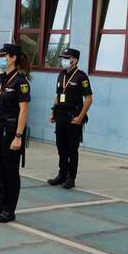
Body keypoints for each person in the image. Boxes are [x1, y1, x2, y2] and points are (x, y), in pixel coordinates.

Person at [0, 44, 31, 223]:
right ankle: (1, 203)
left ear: (13, 58)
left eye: (3, 56)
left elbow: (24, 111)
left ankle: (10, 209)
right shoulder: (1, 78)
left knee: (11, 170)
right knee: (0, 169)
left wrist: (18, 136)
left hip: (11, 130)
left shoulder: (21, 81)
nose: (0, 59)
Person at [48, 48, 93, 189]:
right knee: (61, 146)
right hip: (60, 116)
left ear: (75, 60)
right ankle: (62, 174)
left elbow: (89, 99)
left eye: (67, 58)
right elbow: (57, 95)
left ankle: (71, 177)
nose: (64, 61)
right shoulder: (61, 75)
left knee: (72, 148)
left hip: (73, 117)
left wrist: (80, 117)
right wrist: (53, 112)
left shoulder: (81, 77)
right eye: (63, 58)